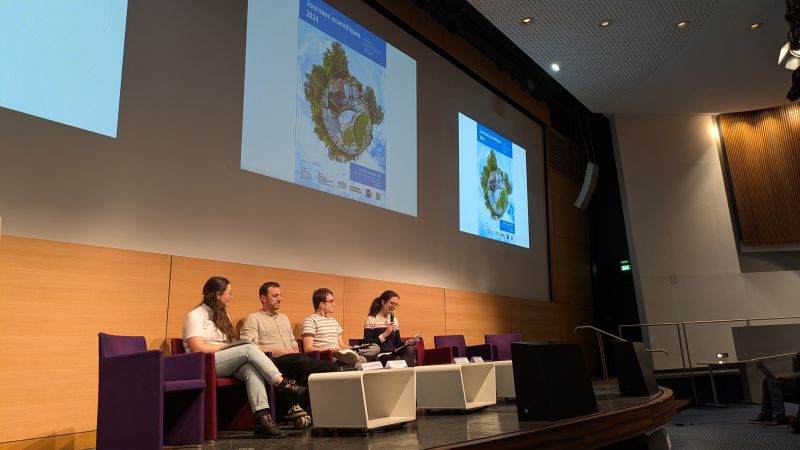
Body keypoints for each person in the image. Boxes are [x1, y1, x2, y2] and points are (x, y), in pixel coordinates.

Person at [183, 276, 308, 439]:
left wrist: (233, 347)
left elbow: (231, 343)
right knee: (248, 347)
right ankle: (284, 385)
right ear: (218, 295)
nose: (231, 297)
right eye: (229, 293)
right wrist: (230, 348)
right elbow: (197, 347)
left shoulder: (223, 316)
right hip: (203, 363)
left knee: (251, 368)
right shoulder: (195, 315)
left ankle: (262, 420)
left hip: (223, 360)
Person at [240, 281, 339, 427]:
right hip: (271, 361)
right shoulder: (253, 318)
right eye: (275, 295)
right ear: (263, 298)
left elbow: (293, 343)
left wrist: (292, 349)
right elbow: (250, 348)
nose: (280, 298)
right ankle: (295, 406)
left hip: (294, 359)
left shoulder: (284, 318)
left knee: (331, 368)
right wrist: (283, 351)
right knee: (301, 361)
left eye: (280, 295)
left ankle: (313, 414)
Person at [301, 288, 379, 365]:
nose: (334, 304)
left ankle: (354, 353)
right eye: (331, 301)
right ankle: (352, 357)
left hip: (341, 353)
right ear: (322, 304)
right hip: (328, 356)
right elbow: (308, 348)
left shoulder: (333, 321)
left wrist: (352, 347)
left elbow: (341, 345)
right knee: (362, 360)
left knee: (375, 348)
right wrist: (331, 350)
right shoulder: (310, 321)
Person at [363, 290, 417, 367]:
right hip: (380, 355)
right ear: (383, 302)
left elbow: (398, 343)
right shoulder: (371, 319)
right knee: (397, 359)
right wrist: (385, 334)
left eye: (396, 304)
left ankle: (406, 376)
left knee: (409, 349)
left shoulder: (394, 319)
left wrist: (408, 342)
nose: (394, 307)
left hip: (393, 352)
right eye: (392, 303)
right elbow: (367, 343)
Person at [750, 353, 800, 426]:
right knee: (767, 381)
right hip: (797, 383)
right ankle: (766, 414)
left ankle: (779, 417)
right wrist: (796, 358)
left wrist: (790, 376)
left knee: (773, 383)